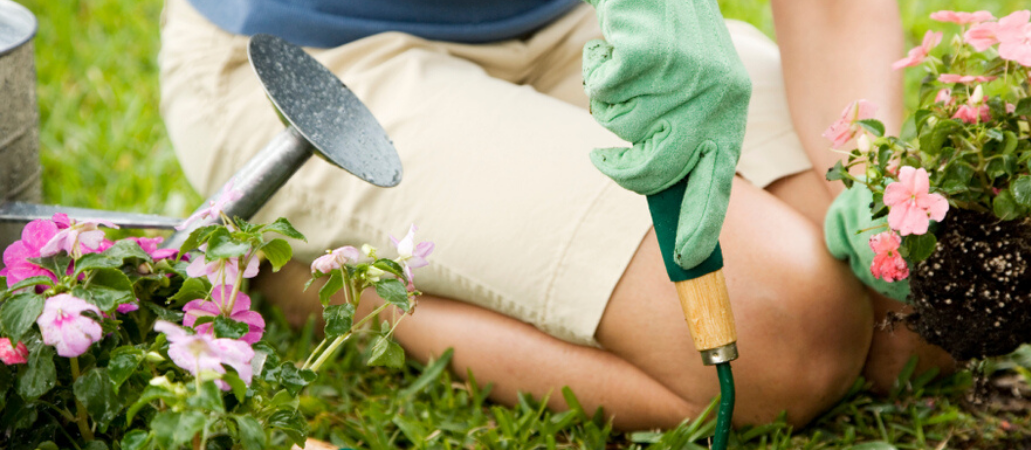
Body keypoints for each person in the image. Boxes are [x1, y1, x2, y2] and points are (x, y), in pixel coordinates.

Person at [159, 0, 956, 431]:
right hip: (319, 59)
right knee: (778, 345)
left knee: (913, 323)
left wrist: (870, 181)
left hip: (579, 21)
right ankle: (330, 286)